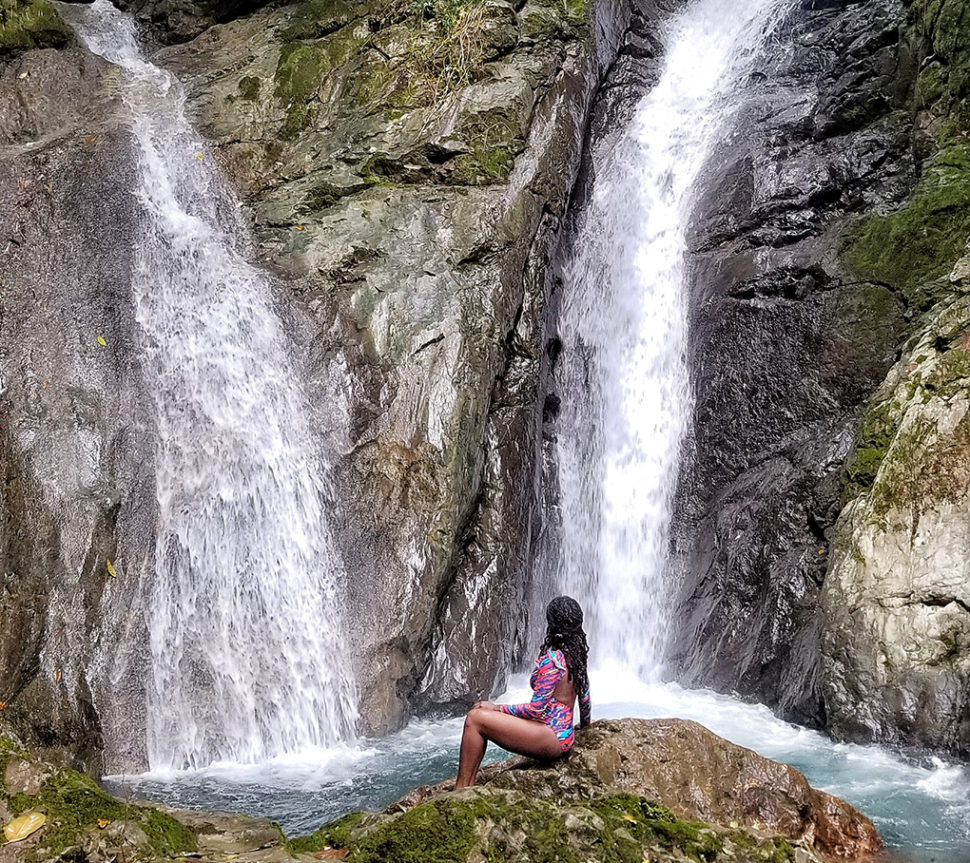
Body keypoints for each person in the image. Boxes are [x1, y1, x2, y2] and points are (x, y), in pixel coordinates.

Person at [453, 595, 592, 790]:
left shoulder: (552, 661)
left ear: (551, 624)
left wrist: (497, 708)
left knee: (475, 718)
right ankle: (466, 787)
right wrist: (585, 725)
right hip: (563, 735)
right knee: (479, 716)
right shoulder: (576, 657)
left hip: (550, 738)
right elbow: (584, 699)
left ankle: (461, 788)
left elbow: (536, 710)